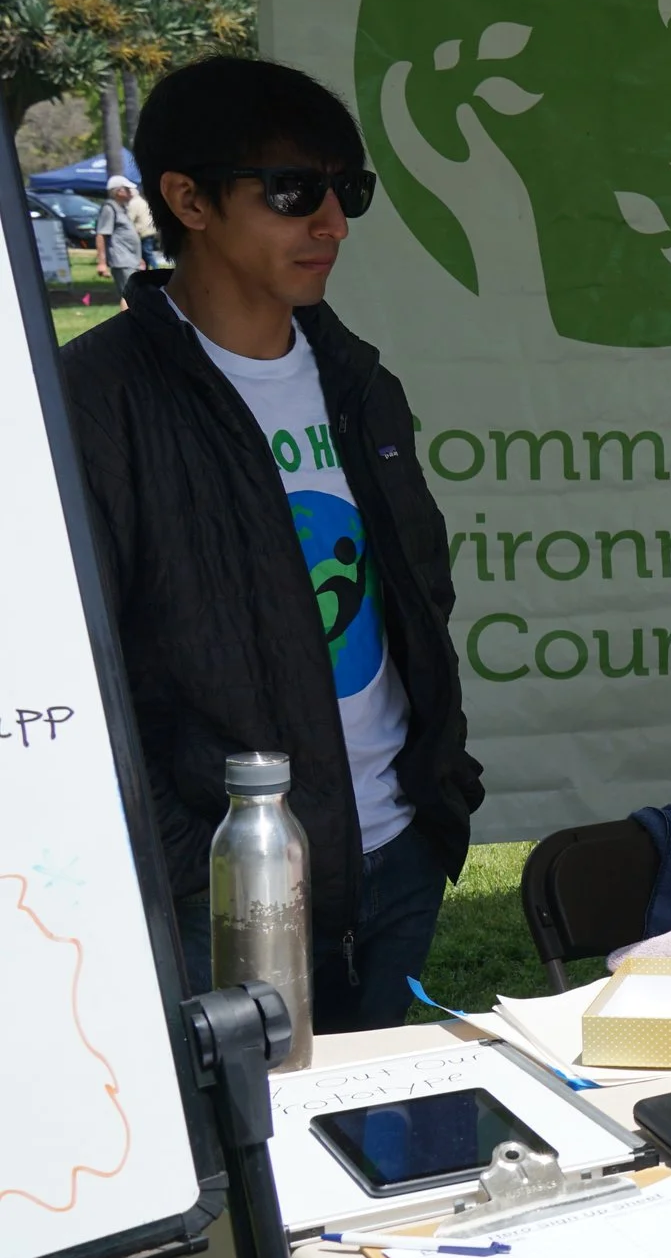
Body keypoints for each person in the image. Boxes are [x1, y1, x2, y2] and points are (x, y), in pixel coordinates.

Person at [59, 56, 482, 1030]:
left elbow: (419, 595)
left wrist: (437, 794)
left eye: (349, 191)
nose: (331, 221)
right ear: (187, 200)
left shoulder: (359, 379)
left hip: (397, 853)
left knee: (386, 1155)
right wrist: (185, 863)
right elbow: (87, 671)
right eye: (295, 192)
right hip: (227, 889)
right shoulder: (94, 403)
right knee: (257, 1175)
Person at [94, 172, 147, 300]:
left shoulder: (121, 208)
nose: (131, 192)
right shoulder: (109, 208)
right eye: (127, 189)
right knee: (129, 297)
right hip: (122, 260)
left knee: (134, 296)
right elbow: (101, 234)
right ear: (118, 191)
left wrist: (138, 257)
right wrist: (102, 262)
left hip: (131, 259)